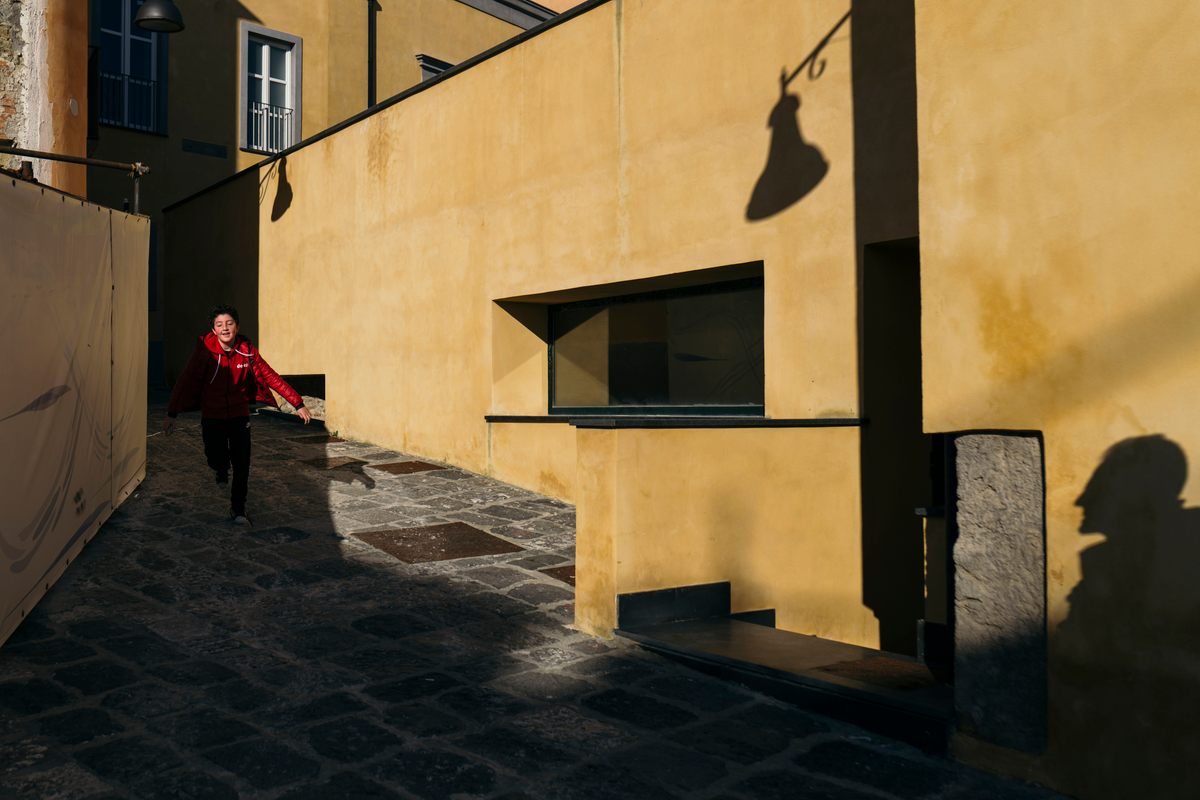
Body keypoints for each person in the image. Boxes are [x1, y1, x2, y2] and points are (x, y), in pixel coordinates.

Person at [163, 304, 312, 523]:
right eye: (219, 325)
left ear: (237, 326)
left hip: (239, 416)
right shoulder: (204, 351)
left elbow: (270, 376)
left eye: (229, 323)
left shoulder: (247, 350)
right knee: (215, 456)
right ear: (213, 330)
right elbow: (185, 381)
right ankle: (220, 468)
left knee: (242, 463)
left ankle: (238, 509)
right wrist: (171, 413)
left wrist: (297, 403)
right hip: (212, 416)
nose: (225, 328)